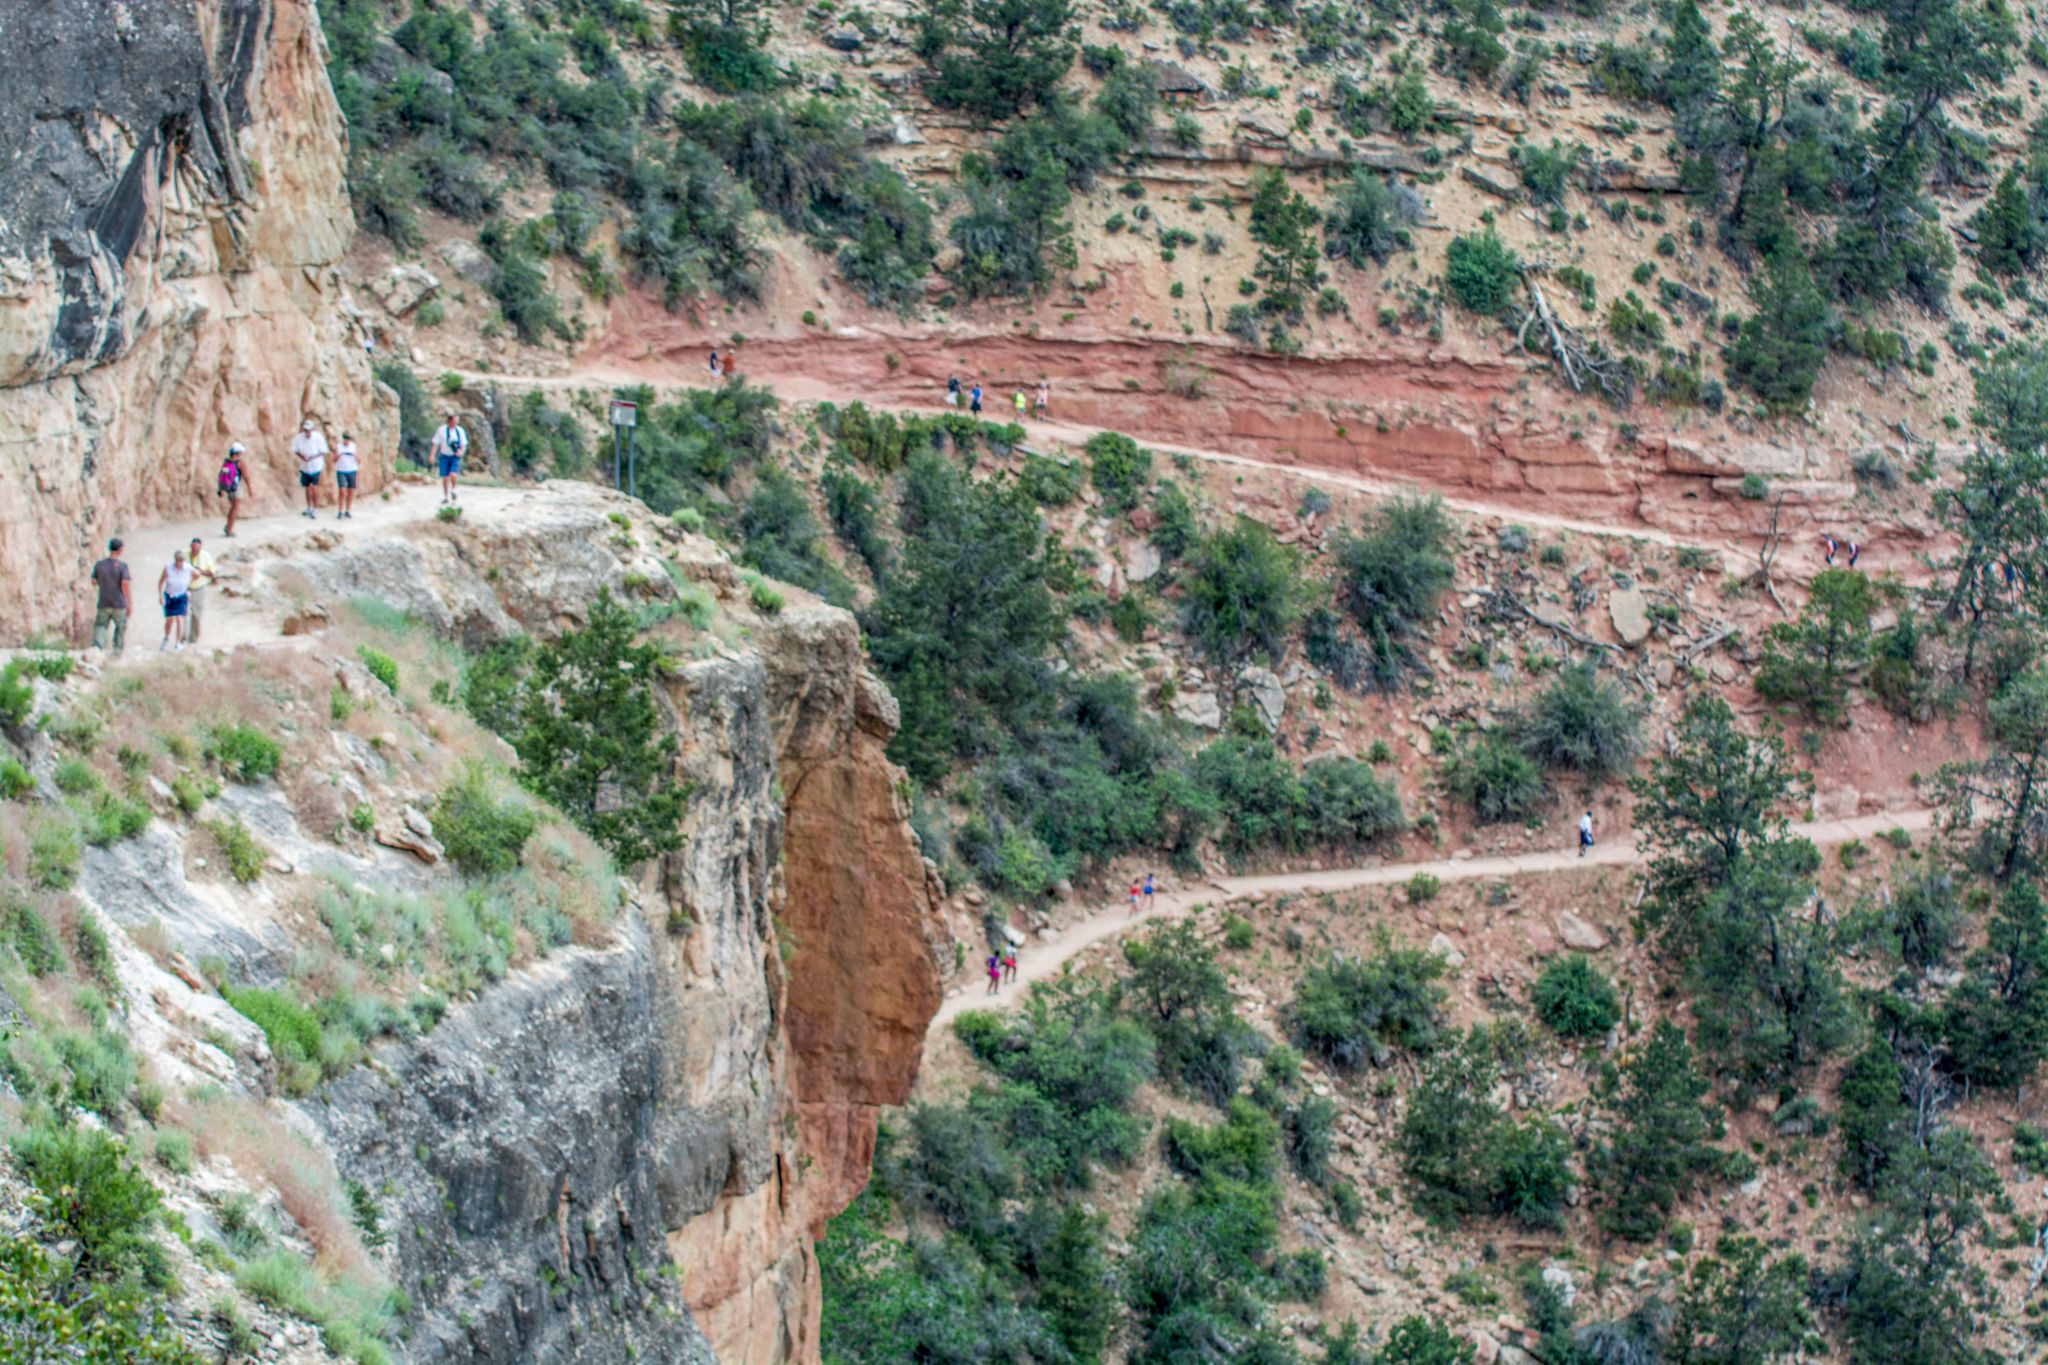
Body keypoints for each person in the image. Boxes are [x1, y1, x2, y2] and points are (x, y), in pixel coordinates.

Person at [89, 538, 131, 654]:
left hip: (104, 601)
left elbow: (93, 581)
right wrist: (129, 602)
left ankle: (97, 648)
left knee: (101, 625)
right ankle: (117, 649)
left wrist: (104, 583)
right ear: (120, 549)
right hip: (118, 602)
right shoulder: (122, 566)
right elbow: (125, 584)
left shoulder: (100, 565)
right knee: (120, 626)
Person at [158, 549, 193, 652]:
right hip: (170, 595)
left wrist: (188, 585)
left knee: (179, 618)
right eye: (178, 560)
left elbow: (197, 574)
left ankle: (178, 642)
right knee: (170, 619)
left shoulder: (187, 568)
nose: (180, 563)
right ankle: (167, 638)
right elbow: (160, 582)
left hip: (181, 595)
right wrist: (160, 596)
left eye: (182, 561)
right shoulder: (168, 568)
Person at [292, 418, 328, 518]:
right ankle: (309, 507)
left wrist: (312, 457)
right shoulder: (299, 438)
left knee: (314, 487)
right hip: (305, 466)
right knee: (307, 487)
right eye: (305, 430)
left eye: (308, 430)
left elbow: (323, 451)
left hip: (316, 465)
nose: (307, 432)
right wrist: (303, 457)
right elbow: (295, 450)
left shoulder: (318, 438)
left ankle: (315, 508)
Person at [430, 411, 468, 504]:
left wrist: (461, 451)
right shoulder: (441, 430)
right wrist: (432, 455)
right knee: (445, 477)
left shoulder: (460, 431)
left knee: (453, 474)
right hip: (444, 456)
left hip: (455, 456)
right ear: (450, 421)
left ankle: (454, 489)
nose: (456, 423)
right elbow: (436, 443)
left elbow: (463, 444)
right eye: (455, 421)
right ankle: (446, 496)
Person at [185, 538, 217, 646]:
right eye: (193, 549)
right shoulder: (185, 555)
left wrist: (200, 571)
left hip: (199, 586)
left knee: (196, 613)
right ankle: (183, 635)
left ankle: (194, 636)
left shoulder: (206, 556)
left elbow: (212, 573)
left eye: (197, 550)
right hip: (186, 586)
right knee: (184, 612)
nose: (195, 552)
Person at [218, 441, 250, 537]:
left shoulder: (226, 462)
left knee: (233, 508)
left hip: (228, 488)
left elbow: (221, 476)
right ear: (238, 452)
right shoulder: (240, 463)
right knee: (235, 508)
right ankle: (229, 529)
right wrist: (250, 488)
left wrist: (220, 489)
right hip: (236, 487)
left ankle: (228, 526)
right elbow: (246, 476)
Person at [333, 431, 360, 519]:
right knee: (342, 491)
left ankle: (347, 510)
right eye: (345, 438)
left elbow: (359, 460)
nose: (346, 441)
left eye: (348, 439)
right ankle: (340, 511)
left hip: (352, 470)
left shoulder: (353, 447)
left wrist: (355, 456)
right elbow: (334, 460)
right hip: (341, 470)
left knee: (351, 491)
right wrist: (338, 455)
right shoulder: (338, 447)